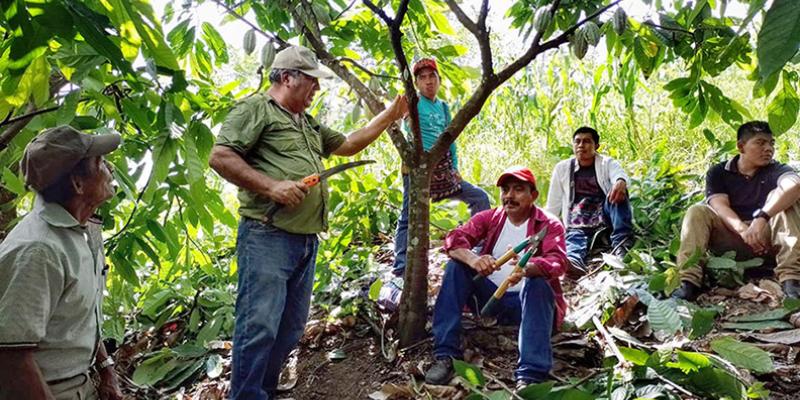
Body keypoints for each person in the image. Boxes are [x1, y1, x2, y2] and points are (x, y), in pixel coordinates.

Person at [208, 45, 408, 400]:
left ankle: (263, 390)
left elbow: (348, 144)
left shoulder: (307, 122)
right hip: (266, 236)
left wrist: (391, 114)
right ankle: (246, 394)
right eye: (312, 82)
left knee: (289, 328)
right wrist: (271, 186)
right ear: (287, 78)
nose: (317, 90)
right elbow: (220, 156)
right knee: (258, 326)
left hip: (304, 240)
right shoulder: (257, 109)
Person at [0, 126, 123, 400]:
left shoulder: (80, 231)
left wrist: (106, 370)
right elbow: (12, 358)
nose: (109, 169)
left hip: (81, 383)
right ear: (78, 184)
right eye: (100, 163)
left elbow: (79, 315)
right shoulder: (38, 250)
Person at [424, 166, 567, 390]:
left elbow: (558, 261)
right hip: (491, 299)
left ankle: (531, 375)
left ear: (534, 196)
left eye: (518, 190)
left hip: (529, 306)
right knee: (456, 267)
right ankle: (445, 354)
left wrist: (530, 268)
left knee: (538, 284)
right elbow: (454, 238)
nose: (509, 196)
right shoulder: (490, 218)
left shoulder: (548, 224)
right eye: (506, 190)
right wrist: (473, 259)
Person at [672, 121, 800, 300]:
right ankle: (688, 283)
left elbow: (794, 186)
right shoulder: (718, 172)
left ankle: (791, 281)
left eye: (771, 143)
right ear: (741, 146)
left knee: (786, 202)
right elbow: (719, 205)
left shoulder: (777, 169)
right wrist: (743, 230)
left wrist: (761, 219)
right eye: (760, 142)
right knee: (697, 211)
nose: (768, 149)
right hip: (732, 242)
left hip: (768, 240)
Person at [391, 58, 490, 278]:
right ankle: (400, 266)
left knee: (479, 197)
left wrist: (455, 166)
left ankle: (478, 250)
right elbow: (391, 122)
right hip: (417, 168)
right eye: (422, 78)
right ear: (415, 82)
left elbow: (450, 138)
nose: (428, 82)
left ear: (439, 80)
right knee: (409, 215)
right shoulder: (411, 101)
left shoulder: (443, 107)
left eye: (432, 77)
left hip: (443, 168)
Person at [545, 126, 633, 276]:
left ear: (596, 146)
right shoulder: (562, 169)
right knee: (573, 240)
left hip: (604, 219)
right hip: (577, 222)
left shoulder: (606, 163)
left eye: (586, 141)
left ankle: (621, 244)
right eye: (577, 141)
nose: (581, 145)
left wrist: (620, 182)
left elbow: (620, 175)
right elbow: (553, 204)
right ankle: (574, 264)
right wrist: (545, 232)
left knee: (618, 194)